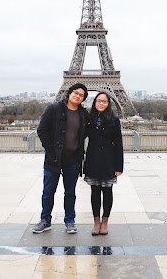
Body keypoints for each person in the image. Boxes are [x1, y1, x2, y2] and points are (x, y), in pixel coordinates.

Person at [33, 83, 89, 234]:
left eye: (81, 95)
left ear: (83, 99)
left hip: (73, 160)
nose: (77, 96)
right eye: (75, 93)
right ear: (70, 93)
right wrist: (51, 152)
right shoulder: (54, 109)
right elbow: (42, 130)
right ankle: (45, 220)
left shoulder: (83, 114)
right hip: (54, 159)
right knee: (48, 191)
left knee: (70, 192)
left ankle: (70, 221)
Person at [83, 92, 123, 235]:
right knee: (94, 192)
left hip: (108, 160)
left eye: (104, 101)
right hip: (93, 159)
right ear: (94, 102)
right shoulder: (89, 119)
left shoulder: (114, 120)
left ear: (108, 104)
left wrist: (119, 166)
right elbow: (80, 136)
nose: (101, 103)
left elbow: (118, 144)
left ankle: (104, 222)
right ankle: (96, 222)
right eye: (99, 101)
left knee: (107, 192)